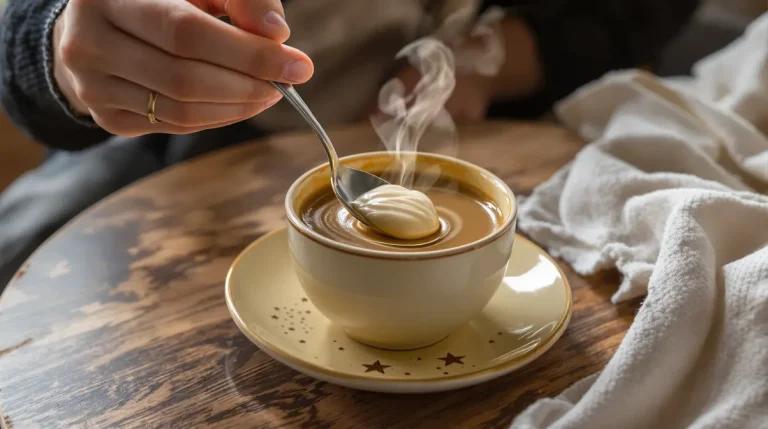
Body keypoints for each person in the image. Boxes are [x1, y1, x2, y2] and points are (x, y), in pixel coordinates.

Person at [0, 0, 699, 287]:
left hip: (505, 89)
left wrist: (502, 52)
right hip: (171, 126)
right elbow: (23, 41)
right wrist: (59, 46)